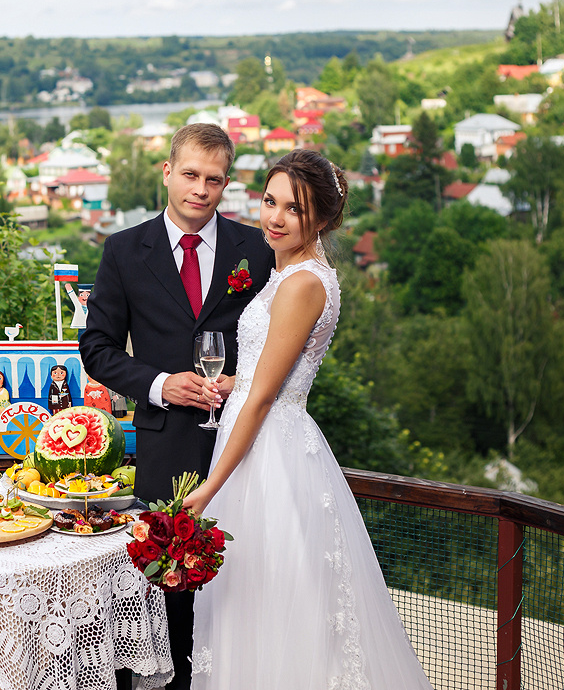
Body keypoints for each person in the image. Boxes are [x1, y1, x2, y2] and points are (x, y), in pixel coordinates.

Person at [183, 150, 432, 689]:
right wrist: (231, 383)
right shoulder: (293, 274)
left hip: (269, 451)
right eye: (269, 201)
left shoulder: (302, 284)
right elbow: (266, 377)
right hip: (264, 437)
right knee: (254, 600)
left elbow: (266, 399)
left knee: (274, 603)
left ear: (320, 218)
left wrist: (208, 488)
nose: (274, 218)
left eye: (292, 209)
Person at [80, 122, 274, 690]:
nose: (201, 189)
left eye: (214, 180)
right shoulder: (122, 250)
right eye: (190, 174)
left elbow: (278, 345)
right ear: (167, 172)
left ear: (227, 184)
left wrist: (240, 382)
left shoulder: (256, 251)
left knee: (248, 583)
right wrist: (162, 383)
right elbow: (97, 349)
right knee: (172, 603)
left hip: (245, 444)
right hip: (166, 451)